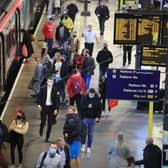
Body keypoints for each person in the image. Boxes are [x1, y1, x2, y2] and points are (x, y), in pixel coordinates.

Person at [37, 76, 60, 142]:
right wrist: (39, 105)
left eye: (51, 82)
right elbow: (38, 97)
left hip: (51, 108)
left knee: (50, 123)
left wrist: (56, 109)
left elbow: (57, 100)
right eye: (48, 81)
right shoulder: (43, 89)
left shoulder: (55, 90)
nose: (49, 83)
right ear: (47, 82)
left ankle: (47, 137)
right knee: (43, 121)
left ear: (53, 83)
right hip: (44, 107)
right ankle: (41, 129)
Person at [80, 88, 102, 154]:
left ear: (94, 93)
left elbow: (99, 109)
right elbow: (81, 107)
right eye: (90, 94)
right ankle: (83, 145)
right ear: (88, 93)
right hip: (85, 118)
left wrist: (98, 117)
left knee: (90, 134)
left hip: (92, 118)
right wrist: (87, 106)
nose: (91, 95)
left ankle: (89, 147)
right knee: (84, 132)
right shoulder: (84, 98)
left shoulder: (97, 99)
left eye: (92, 94)